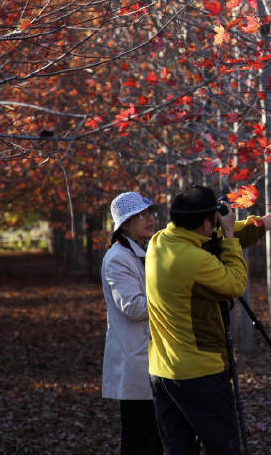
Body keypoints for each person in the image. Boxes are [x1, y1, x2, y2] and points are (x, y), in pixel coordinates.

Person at [146, 185, 271, 454]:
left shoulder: (160, 241)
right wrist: (230, 233)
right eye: (214, 220)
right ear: (206, 222)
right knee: (223, 446)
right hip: (199, 373)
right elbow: (235, 284)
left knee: (178, 449)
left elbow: (211, 241)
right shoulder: (194, 260)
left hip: (163, 371)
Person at [101, 191, 163, 455]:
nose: (148, 219)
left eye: (149, 213)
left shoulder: (145, 250)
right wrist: (171, 295)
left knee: (156, 437)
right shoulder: (117, 258)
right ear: (125, 224)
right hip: (136, 359)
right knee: (139, 439)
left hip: (153, 357)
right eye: (140, 215)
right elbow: (134, 307)